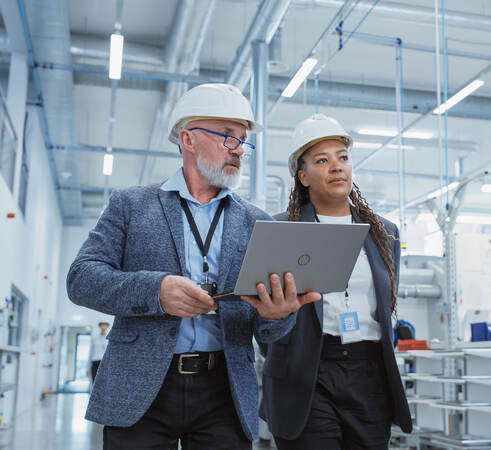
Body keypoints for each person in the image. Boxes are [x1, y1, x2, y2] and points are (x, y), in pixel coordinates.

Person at [67, 83, 320, 450]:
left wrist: (278, 315)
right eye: (228, 137)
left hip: (225, 391)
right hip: (141, 387)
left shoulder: (257, 222)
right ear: (188, 139)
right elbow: (82, 278)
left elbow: (267, 333)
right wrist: (156, 292)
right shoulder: (131, 205)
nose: (239, 151)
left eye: (243, 142)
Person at [260, 114, 412, 449]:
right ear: (303, 177)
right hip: (306, 373)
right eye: (322, 160)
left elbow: (386, 305)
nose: (336, 166)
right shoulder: (280, 230)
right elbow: (264, 314)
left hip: (368, 372)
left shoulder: (385, 232)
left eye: (342, 158)